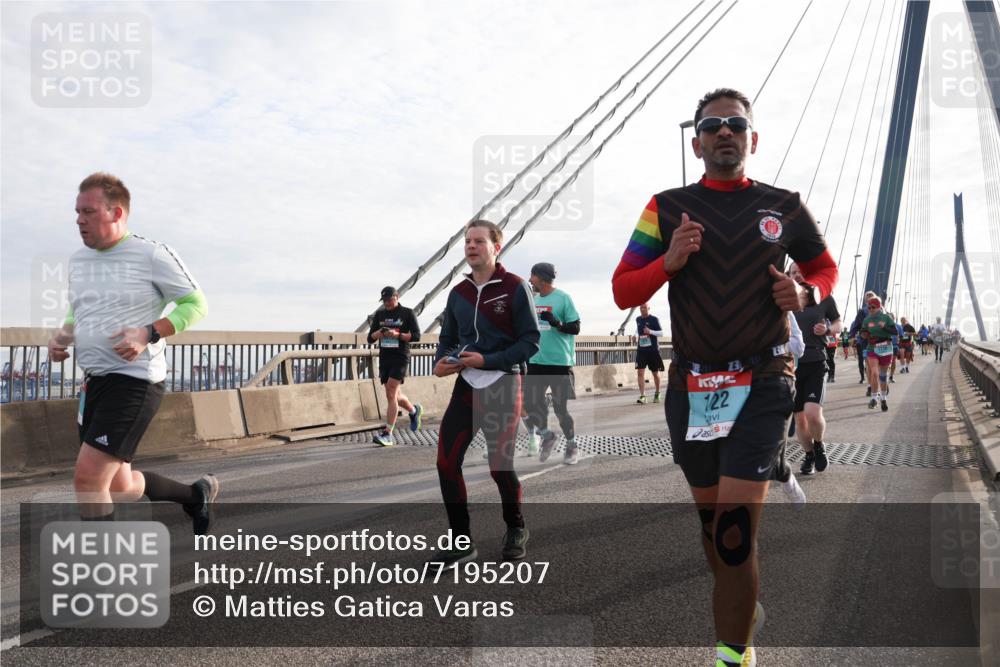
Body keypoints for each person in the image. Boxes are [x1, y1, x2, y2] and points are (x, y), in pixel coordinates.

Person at [611, 88, 838, 667]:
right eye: (712, 126)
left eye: (736, 124)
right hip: (692, 387)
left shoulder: (784, 205)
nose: (724, 133)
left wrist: (806, 292)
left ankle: (733, 654)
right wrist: (669, 262)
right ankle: (741, 606)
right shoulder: (664, 207)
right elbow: (621, 287)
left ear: (752, 138)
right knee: (714, 530)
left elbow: (824, 267)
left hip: (763, 379)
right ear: (697, 142)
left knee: (735, 532)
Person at [47, 173, 216, 532]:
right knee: (119, 487)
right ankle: (194, 495)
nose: (79, 220)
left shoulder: (150, 254)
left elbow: (195, 303)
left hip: (135, 381)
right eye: (77, 212)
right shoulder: (79, 261)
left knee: (88, 481)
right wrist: (62, 337)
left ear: (116, 212)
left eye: (88, 211)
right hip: (94, 384)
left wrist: (149, 332)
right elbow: (78, 309)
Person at [428, 220, 540, 570]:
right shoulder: (457, 293)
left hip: (504, 384)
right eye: (467, 241)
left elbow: (530, 342)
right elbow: (447, 338)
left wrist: (487, 359)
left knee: (499, 466)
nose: (471, 246)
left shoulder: (515, 287)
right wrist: (442, 361)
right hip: (467, 384)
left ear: (497, 247)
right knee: (446, 463)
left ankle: (516, 528)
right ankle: (462, 542)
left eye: (479, 241)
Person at [523, 262, 582, 464]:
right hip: (535, 360)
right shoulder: (534, 299)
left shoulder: (563, 298)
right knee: (529, 404)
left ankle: (572, 446)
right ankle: (547, 435)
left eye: (532, 276)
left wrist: (556, 323)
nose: (530, 280)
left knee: (560, 409)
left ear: (540, 277)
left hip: (559, 363)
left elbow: (575, 327)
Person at [788, 264, 841, 475]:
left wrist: (827, 329)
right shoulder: (785, 298)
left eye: (802, 271)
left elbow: (838, 323)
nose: (798, 274)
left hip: (816, 361)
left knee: (812, 413)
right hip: (790, 366)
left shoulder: (823, 296)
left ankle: (818, 444)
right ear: (788, 276)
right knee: (800, 419)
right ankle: (809, 454)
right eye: (793, 272)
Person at [366, 286, 423, 446]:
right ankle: (414, 410)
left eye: (389, 300)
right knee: (395, 395)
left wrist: (398, 335)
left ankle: (387, 434)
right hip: (385, 358)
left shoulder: (407, 313)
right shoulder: (380, 314)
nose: (387, 303)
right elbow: (369, 339)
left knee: (391, 392)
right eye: (384, 301)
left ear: (397, 297)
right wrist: (376, 334)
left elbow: (417, 336)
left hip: (400, 357)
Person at [862, 297, 896, 411]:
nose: (870, 309)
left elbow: (895, 332)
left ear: (879, 307)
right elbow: (863, 331)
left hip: (886, 348)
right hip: (872, 348)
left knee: (883, 375)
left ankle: (883, 398)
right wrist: (863, 334)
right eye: (869, 307)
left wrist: (885, 327)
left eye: (873, 307)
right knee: (875, 373)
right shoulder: (867, 320)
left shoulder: (886, 318)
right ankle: (874, 398)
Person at [634, 303, 665, 404]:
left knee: (655, 373)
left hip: (652, 350)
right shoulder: (638, 319)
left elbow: (661, 333)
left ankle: (657, 392)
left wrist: (650, 331)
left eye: (644, 308)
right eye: (641, 308)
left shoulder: (654, 319)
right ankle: (643, 396)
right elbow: (638, 329)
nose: (642, 309)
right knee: (640, 372)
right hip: (641, 350)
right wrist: (634, 335)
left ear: (648, 308)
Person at [848, 291, 878, 390]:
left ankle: (881, 382)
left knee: (879, 366)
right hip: (866, 343)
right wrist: (852, 337)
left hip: (880, 342)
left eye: (871, 298)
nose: (869, 300)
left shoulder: (882, 311)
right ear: (865, 301)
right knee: (869, 365)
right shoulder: (862, 312)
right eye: (867, 299)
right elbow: (855, 326)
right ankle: (870, 386)